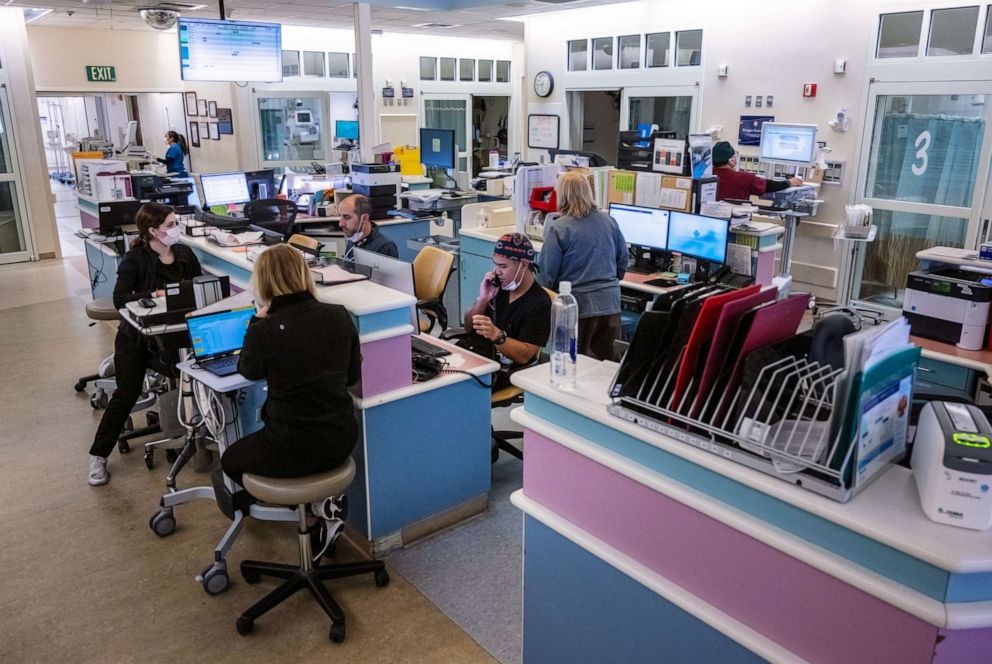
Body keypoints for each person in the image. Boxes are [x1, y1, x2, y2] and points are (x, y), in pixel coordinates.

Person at [220, 244, 361, 559]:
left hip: (292, 445)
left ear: (263, 284)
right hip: (341, 438)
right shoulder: (339, 315)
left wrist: (257, 322)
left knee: (230, 459)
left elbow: (248, 370)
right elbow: (351, 378)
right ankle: (319, 508)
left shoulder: (265, 329)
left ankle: (309, 516)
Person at [88, 203, 202, 486]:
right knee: (126, 393)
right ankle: (98, 456)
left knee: (197, 377)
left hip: (176, 336)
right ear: (153, 231)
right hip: (137, 338)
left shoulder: (185, 254)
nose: (176, 229)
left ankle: (191, 431)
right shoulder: (135, 259)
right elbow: (119, 299)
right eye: (171, 225)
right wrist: (153, 294)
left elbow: (200, 285)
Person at [537, 171, 627, 362]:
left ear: (563, 196)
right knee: (607, 366)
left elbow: (546, 275)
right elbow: (622, 260)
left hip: (577, 306)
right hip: (610, 303)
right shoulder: (609, 221)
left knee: (575, 363)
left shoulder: (560, 228)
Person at [463, 233, 551, 392]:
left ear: (524, 265)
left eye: (503, 266)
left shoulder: (539, 302)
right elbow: (469, 327)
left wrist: (496, 335)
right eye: (495, 265)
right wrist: (482, 300)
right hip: (476, 356)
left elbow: (525, 356)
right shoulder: (497, 288)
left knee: (451, 391)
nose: (497, 272)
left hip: (503, 369)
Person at [711, 140, 802, 201]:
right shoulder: (743, 178)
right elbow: (768, 186)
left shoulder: (706, 177)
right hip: (737, 223)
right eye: (735, 155)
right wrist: (789, 182)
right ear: (730, 160)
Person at [338, 194, 398, 259]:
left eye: (347, 217)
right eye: (340, 216)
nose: (341, 224)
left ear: (364, 218)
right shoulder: (353, 239)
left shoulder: (385, 247)